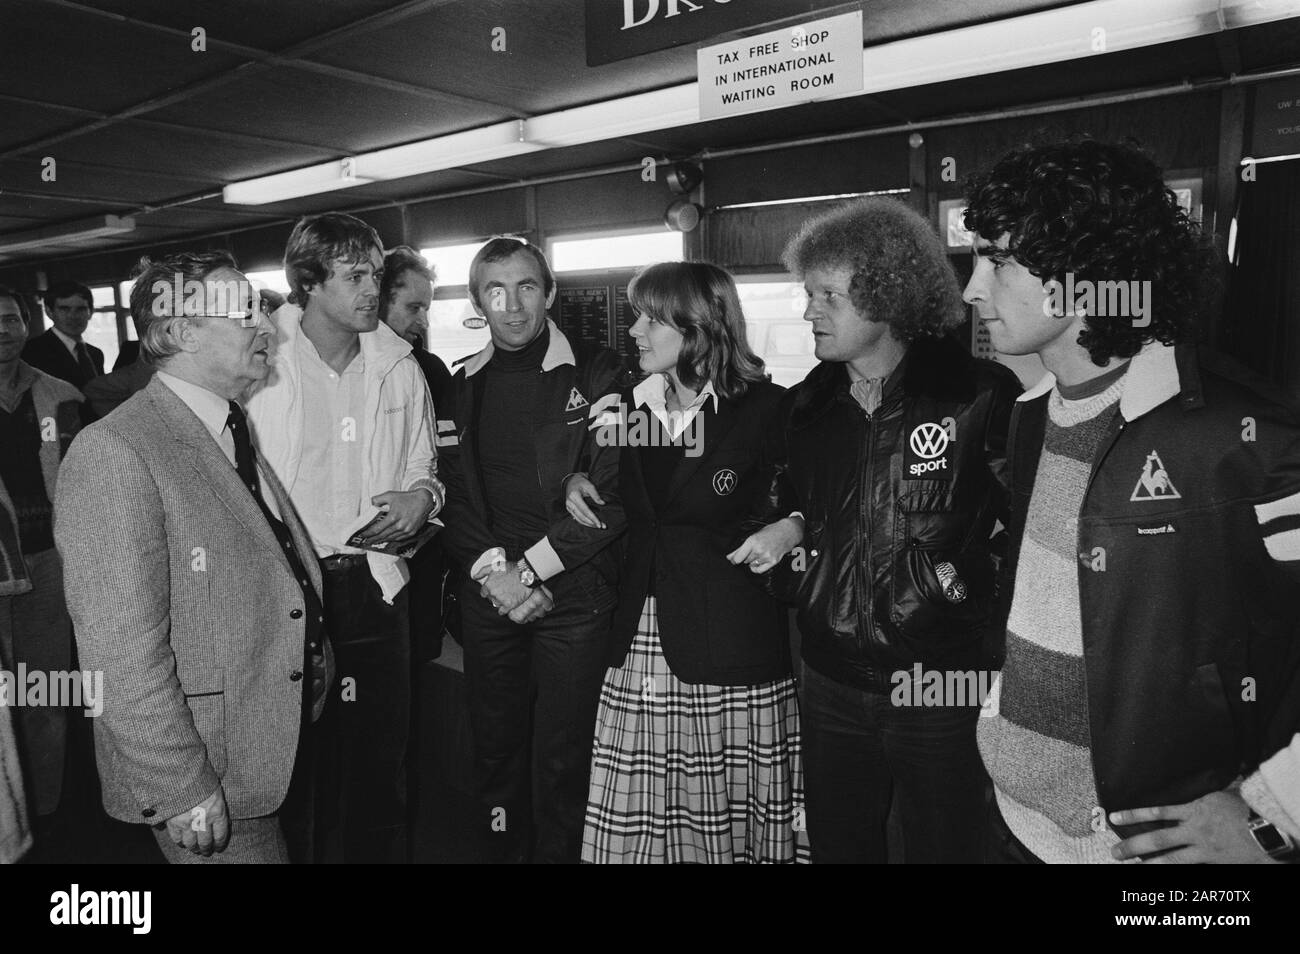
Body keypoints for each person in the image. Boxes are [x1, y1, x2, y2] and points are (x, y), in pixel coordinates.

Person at [963, 138, 1300, 864]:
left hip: (1141, 849)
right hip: (1013, 822)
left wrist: (1276, 815)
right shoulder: (1027, 417)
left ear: (1086, 272)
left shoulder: (1243, 437)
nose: (972, 289)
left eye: (996, 259)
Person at [54, 250, 333, 864]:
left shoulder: (224, 424)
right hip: (209, 767)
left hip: (263, 742)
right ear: (181, 331)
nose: (268, 324)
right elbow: (119, 654)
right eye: (245, 312)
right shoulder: (117, 451)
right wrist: (180, 786)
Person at [768, 198, 1021, 863]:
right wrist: (792, 536)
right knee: (840, 849)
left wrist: (953, 589)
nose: (809, 311)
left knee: (947, 849)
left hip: (938, 681)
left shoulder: (979, 395)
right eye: (808, 293)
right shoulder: (808, 406)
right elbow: (786, 503)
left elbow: (1027, 532)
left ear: (886, 299)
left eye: (829, 295)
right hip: (828, 679)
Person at [564, 261, 807, 863]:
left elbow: (822, 503)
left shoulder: (772, 408)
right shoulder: (629, 408)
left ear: (699, 327)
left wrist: (794, 525)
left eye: (652, 319)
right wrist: (575, 478)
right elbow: (617, 498)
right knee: (629, 825)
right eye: (637, 317)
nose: (636, 332)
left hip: (731, 640)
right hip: (641, 637)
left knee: (725, 822)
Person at [245, 213, 443, 864]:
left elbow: (425, 470)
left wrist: (422, 500)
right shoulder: (253, 362)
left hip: (374, 588)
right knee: (292, 769)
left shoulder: (400, 367)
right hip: (283, 586)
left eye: (376, 275)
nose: (371, 290)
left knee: (378, 767)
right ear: (307, 282)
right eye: (354, 276)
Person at [436, 237, 626, 863]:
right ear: (476, 302)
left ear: (549, 294)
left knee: (565, 754)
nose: (512, 305)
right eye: (495, 290)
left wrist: (531, 569)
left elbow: (613, 490)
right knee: (496, 746)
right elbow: (454, 495)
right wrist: (499, 574)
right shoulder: (458, 384)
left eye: (525, 287)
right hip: (492, 591)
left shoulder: (602, 373)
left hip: (574, 595)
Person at [0, 284, 85, 833]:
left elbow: (79, 478)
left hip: (48, 560)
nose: (2, 330)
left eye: (9, 319)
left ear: (26, 323)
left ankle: (47, 811)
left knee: (45, 688)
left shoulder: (60, 393)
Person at [379, 246, 453, 664]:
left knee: (419, 651)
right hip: (357, 555)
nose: (422, 320)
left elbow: (447, 458)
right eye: (413, 307)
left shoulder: (429, 370)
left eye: (426, 308)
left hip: (420, 543)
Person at [22, 281, 103, 389]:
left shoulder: (95, 354)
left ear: (91, 312)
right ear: (49, 312)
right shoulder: (32, 351)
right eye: (64, 309)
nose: (73, 316)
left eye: (81, 309)